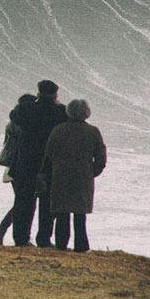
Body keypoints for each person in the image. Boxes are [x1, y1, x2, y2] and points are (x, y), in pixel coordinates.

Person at [43, 99, 107, 252]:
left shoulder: (58, 130)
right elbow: (101, 157)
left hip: (61, 174)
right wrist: (92, 173)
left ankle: (61, 245)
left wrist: (55, 168)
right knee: (80, 214)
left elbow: (49, 153)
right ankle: (81, 246)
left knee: (62, 213)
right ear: (87, 113)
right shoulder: (93, 131)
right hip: (83, 177)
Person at [10, 80, 68, 247]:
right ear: (55, 95)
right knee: (47, 202)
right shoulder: (60, 111)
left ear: (38, 93)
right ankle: (44, 238)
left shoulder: (27, 109)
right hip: (49, 161)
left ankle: (21, 238)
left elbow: (14, 115)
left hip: (26, 160)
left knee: (23, 201)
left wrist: (32, 101)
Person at [0, 94, 35, 246]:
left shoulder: (11, 123)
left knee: (21, 201)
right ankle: (5, 230)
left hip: (11, 165)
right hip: (22, 165)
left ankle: (2, 230)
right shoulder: (25, 124)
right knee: (24, 202)